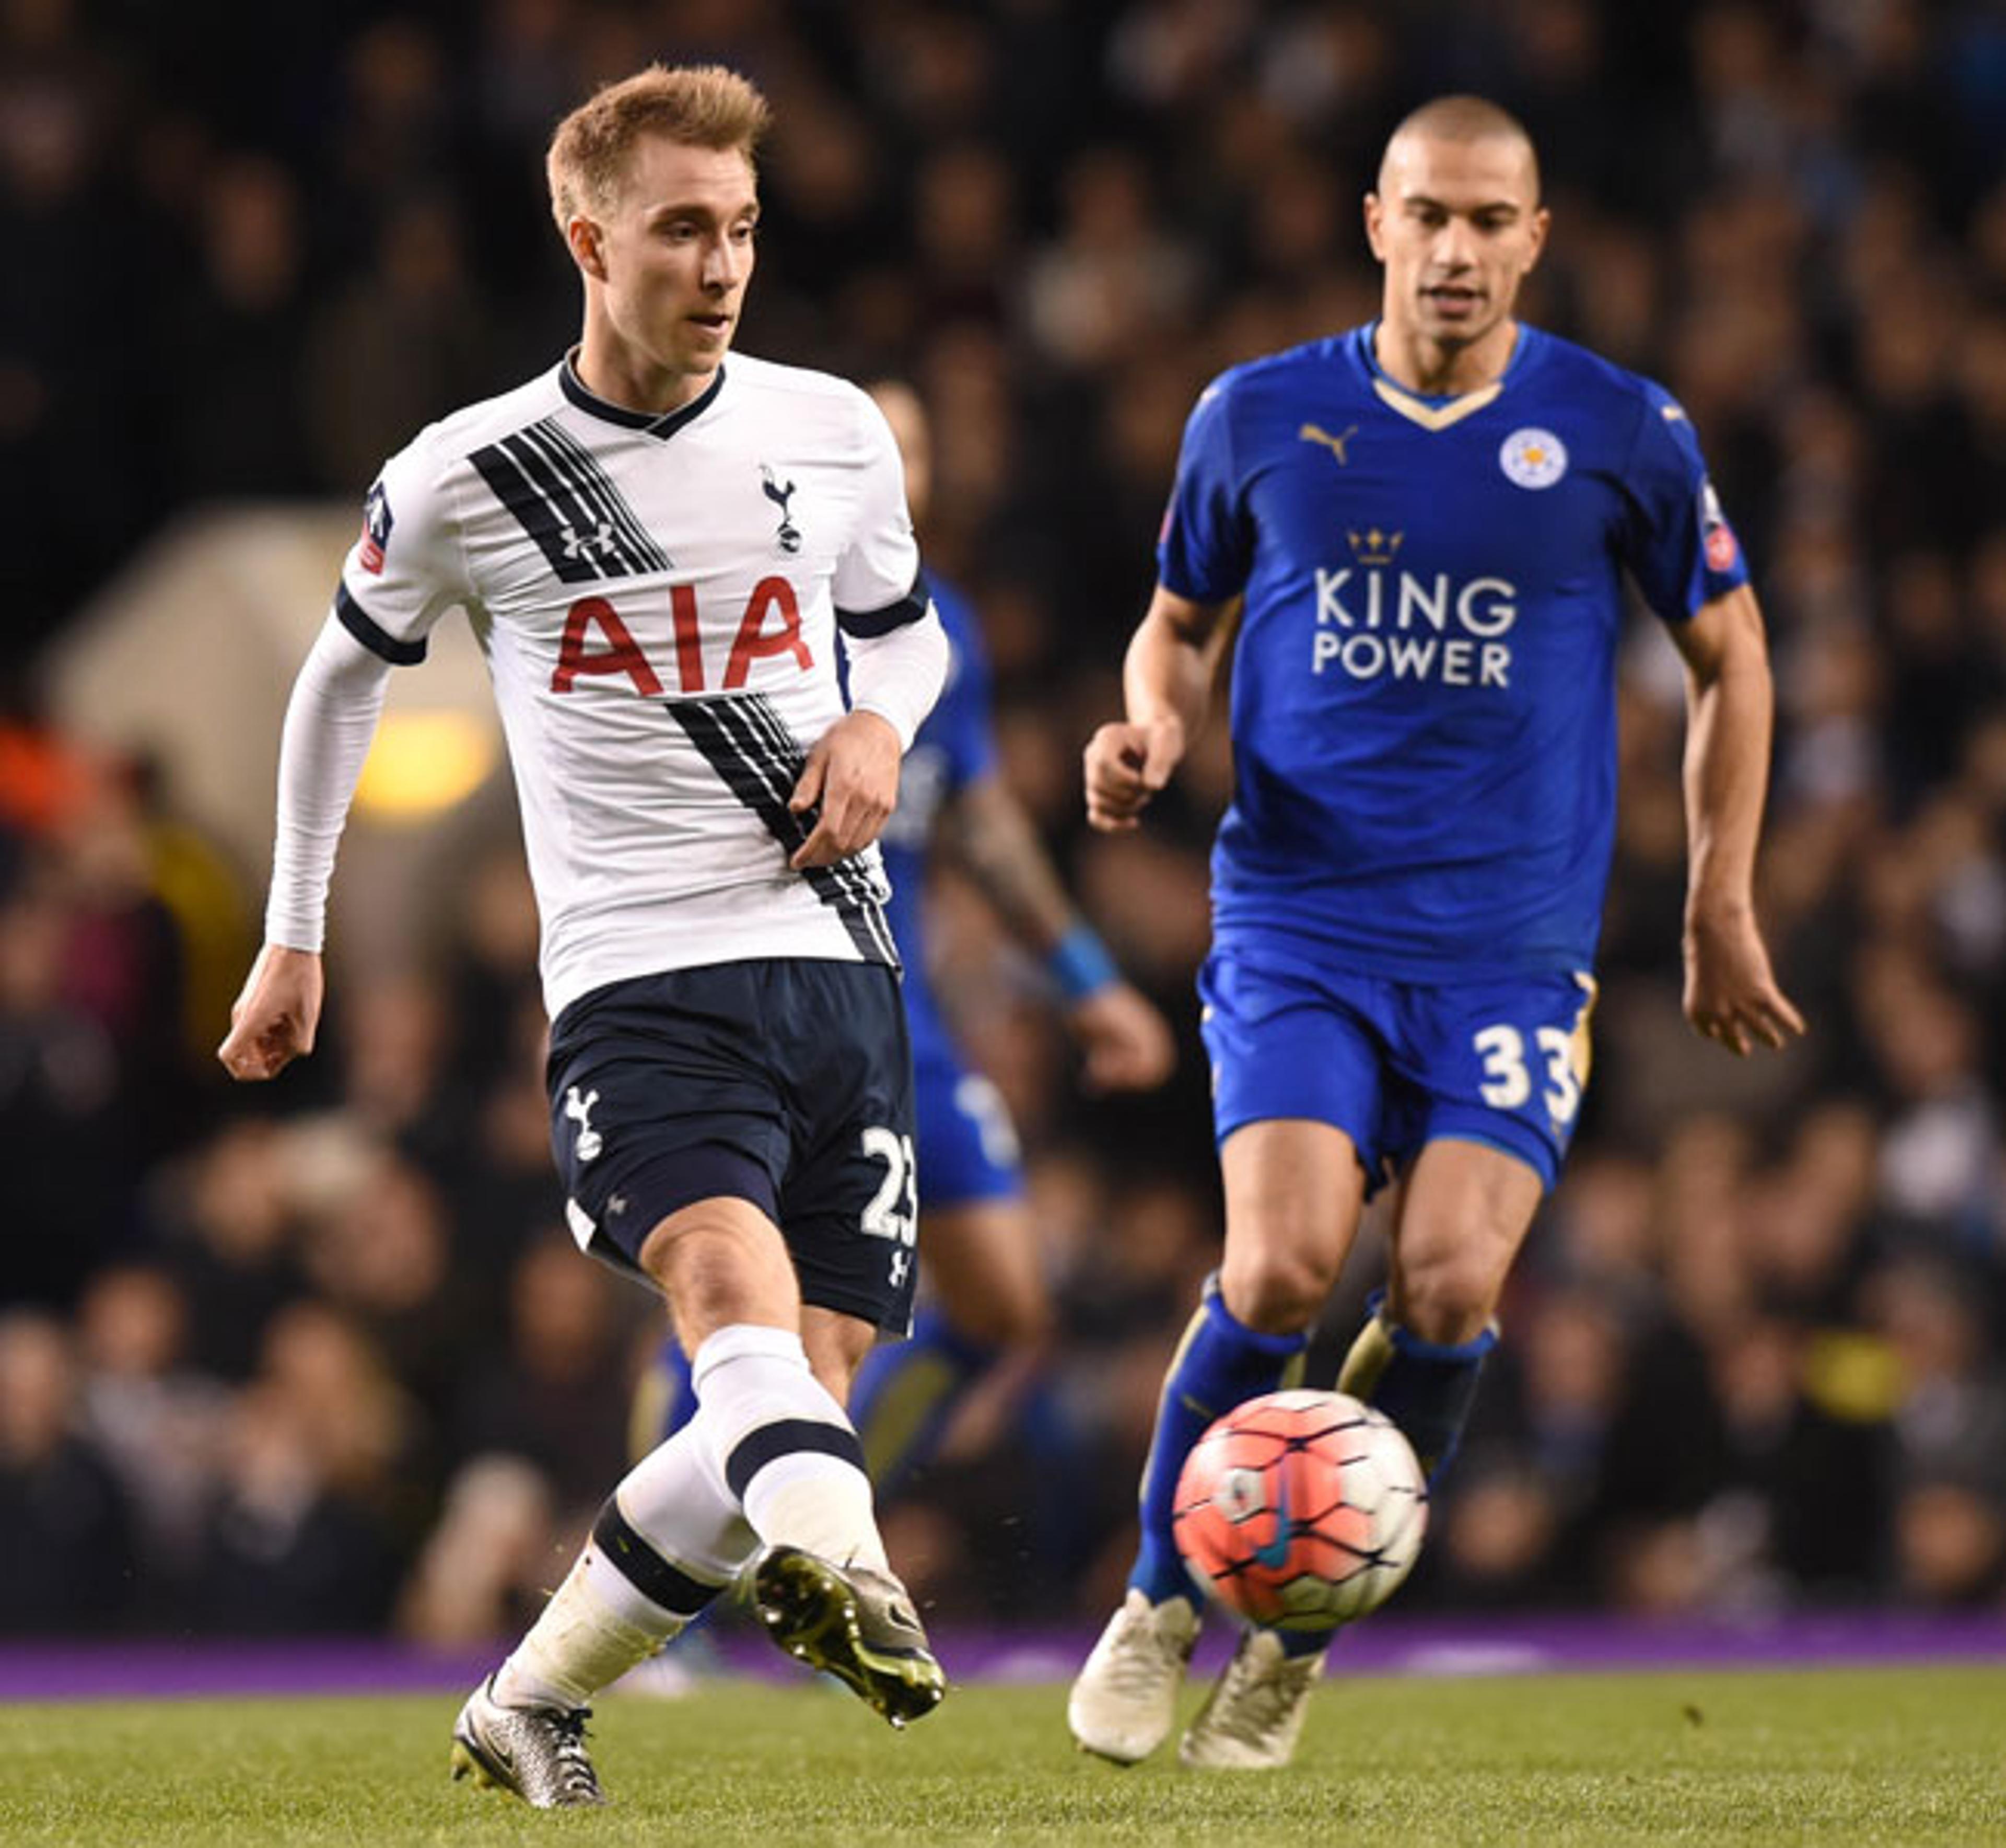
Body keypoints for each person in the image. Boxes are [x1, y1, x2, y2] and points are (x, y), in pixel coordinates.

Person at [217, 64, 952, 1808]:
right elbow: (336, 683)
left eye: (745, 229)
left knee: (801, 1377)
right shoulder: (475, 472)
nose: (721, 264)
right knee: (727, 1297)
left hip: (840, 967)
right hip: (638, 978)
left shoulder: (832, 428)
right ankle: (852, 1564)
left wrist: (878, 728)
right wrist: (294, 930)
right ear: (589, 235)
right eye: (685, 227)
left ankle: (527, 1699)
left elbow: (905, 633)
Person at [1067, 94, 1805, 1772]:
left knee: (1454, 1286)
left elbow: (1733, 653)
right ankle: (1158, 1603)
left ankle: (1295, 1636)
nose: (1459, 251)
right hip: (1304, 919)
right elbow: (1172, 628)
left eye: (1493, 221)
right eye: (1431, 217)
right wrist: (1153, 729)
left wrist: (1718, 892)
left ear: (1535, 238)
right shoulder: (1258, 415)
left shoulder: (1620, 429)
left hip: (1510, 944)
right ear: (1378, 224)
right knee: (1277, 1264)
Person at [634, 380, 1176, 1510]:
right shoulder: (739, 618)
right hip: (763, 1014)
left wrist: (1088, 985)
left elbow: (973, 814)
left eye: (913, 448)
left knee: (1004, 1302)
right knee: (751, 1309)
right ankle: (686, 1592)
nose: (895, 468)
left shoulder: (943, 631)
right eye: (871, 445)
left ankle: (802, 1511)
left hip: (903, 1026)